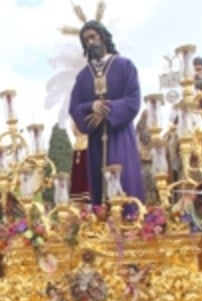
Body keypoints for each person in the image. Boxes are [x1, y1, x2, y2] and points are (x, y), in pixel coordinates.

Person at [67, 20, 144, 205]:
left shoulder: (125, 66)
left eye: (93, 37)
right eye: (86, 40)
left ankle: (130, 224)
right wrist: (91, 107)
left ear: (103, 37)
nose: (90, 42)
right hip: (95, 139)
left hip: (120, 136)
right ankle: (101, 225)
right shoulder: (83, 76)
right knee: (98, 187)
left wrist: (107, 109)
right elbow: (74, 107)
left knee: (124, 180)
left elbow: (133, 100)